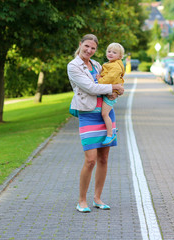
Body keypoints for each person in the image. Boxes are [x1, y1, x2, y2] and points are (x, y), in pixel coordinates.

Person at [67, 34, 124, 213]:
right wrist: (114, 88)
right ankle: (81, 200)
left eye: (93, 48)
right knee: (90, 160)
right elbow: (91, 88)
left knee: (104, 158)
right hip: (88, 115)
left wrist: (117, 91)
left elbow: (113, 81)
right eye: (87, 46)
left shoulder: (98, 64)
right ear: (80, 45)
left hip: (106, 114)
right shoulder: (73, 66)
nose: (89, 50)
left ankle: (97, 198)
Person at [97, 43, 125, 145]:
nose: (111, 54)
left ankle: (110, 134)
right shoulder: (111, 64)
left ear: (120, 56)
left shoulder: (115, 66)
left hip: (111, 93)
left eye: (114, 52)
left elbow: (109, 78)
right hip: (110, 91)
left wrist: (100, 80)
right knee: (107, 112)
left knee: (104, 114)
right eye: (109, 51)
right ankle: (112, 127)